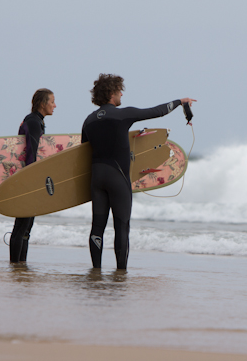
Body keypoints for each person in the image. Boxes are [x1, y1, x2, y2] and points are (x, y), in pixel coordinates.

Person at [81, 74, 195, 270]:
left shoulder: (89, 121)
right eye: (119, 91)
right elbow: (157, 112)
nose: (121, 94)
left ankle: (96, 271)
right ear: (111, 94)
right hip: (117, 178)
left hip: (97, 178)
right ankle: (120, 272)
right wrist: (179, 102)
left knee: (97, 226)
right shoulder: (123, 114)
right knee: (122, 227)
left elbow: (83, 151)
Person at [9, 88, 56, 263]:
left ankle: (20, 265)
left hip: (28, 177)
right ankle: (16, 266)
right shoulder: (34, 122)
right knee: (21, 227)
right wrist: (33, 180)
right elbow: (31, 153)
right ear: (43, 104)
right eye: (52, 101)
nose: (55, 105)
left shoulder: (36, 121)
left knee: (26, 228)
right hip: (28, 180)